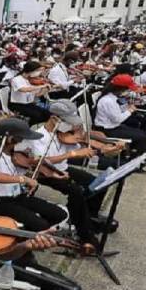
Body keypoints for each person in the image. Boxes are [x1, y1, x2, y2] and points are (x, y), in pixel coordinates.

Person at [16, 101, 110, 247]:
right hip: (46, 173)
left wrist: (100, 147)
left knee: (98, 184)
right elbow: (42, 161)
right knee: (76, 192)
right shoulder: (39, 136)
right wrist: (71, 154)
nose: (71, 127)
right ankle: (84, 234)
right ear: (54, 119)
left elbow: (79, 145)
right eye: (67, 122)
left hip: (63, 168)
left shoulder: (63, 133)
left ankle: (88, 218)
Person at [0, 119, 68, 233]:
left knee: (59, 214)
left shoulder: (14, 155)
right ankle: (30, 236)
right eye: (22, 139)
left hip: (16, 196)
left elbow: (26, 171)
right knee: (41, 224)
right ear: (10, 139)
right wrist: (23, 179)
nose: (25, 143)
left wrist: (51, 174)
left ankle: (30, 233)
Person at [94, 74, 146, 158]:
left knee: (140, 132)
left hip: (113, 126)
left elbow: (119, 110)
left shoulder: (114, 97)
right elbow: (118, 119)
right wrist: (130, 110)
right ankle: (134, 159)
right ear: (120, 89)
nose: (128, 91)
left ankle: (129, 153)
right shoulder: (108, 100)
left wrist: (127, 105)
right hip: (107, 130)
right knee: (142, 137)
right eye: (127, 89)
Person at [7, 61, 52, 125]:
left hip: (29, 104)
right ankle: (28, 127)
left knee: (47, 114)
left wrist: (46, 89)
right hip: (17, 105)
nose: (38, 73)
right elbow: (23, 89)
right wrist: (41, 86)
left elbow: (37, 94)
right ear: (31, 70)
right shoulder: (16, 79)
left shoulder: (30, 80)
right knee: (37, 115)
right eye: (37, 70)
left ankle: (33, 126)